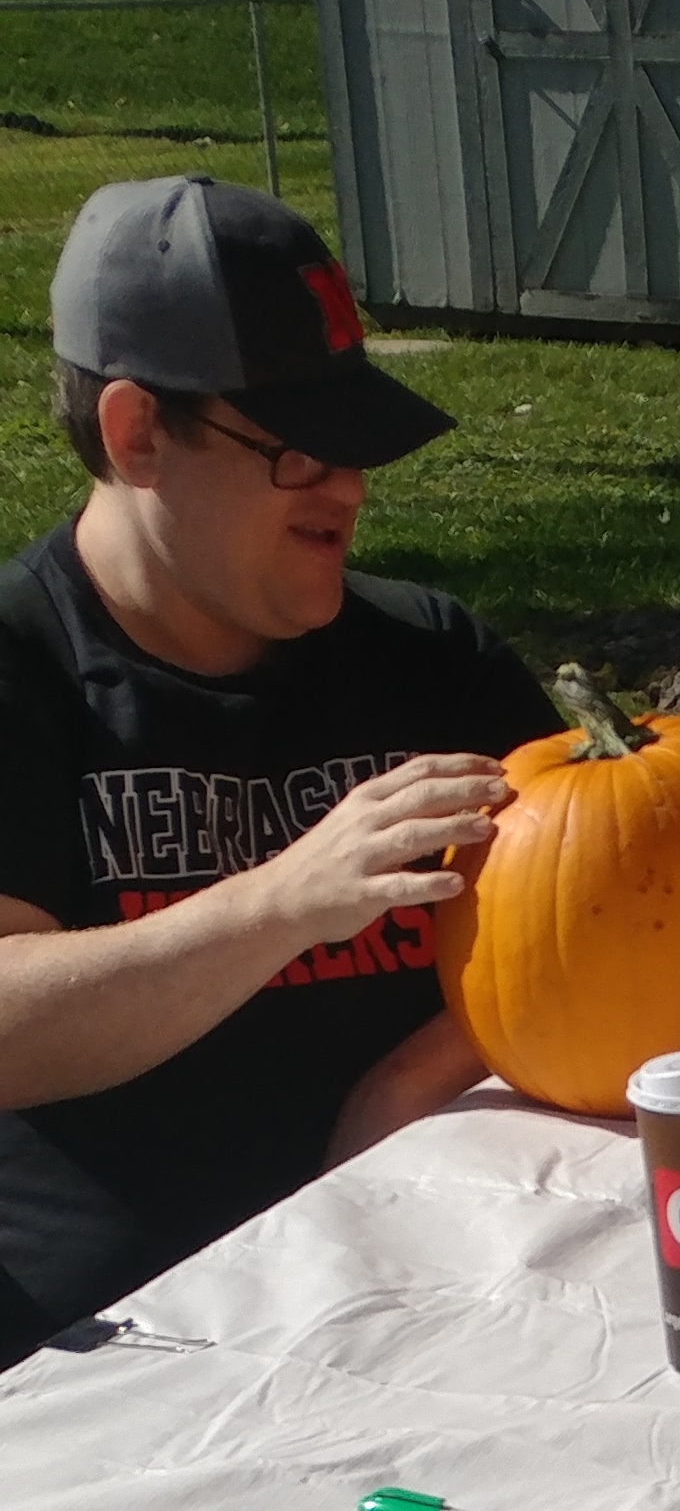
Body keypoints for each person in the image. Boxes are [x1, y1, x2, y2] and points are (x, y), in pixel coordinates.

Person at [0, 176, 563, 1369]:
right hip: (113, 1353)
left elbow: (590, 926)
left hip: (438, 1291)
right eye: (299, 451)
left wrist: (407, 1087)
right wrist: (287, 897)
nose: (347, 490)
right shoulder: (23, 670)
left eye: (358, 445)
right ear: (136, 433)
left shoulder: (435, 660)